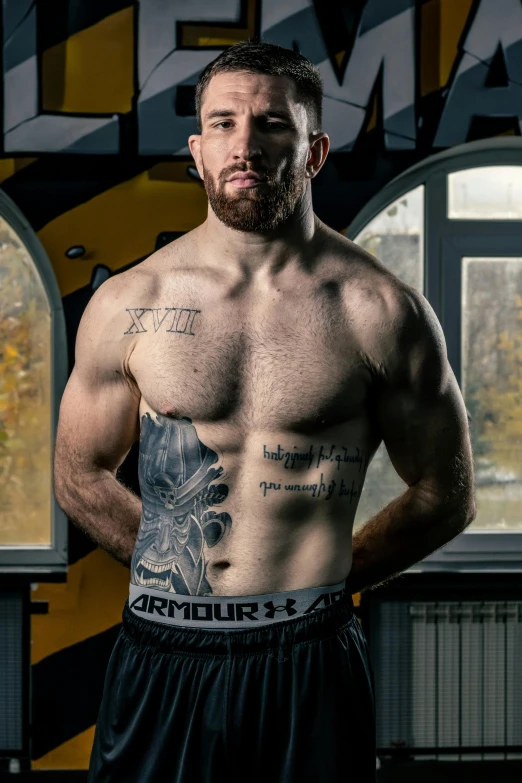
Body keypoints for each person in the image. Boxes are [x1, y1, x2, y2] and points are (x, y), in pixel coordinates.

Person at [53, 40, 475, 783]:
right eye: (222, 123)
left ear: (314, 150)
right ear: (197, 149)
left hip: (307, 654)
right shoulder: (130, 302)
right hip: (162, 651)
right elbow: (78, 471)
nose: (244, 144)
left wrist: (336, 578)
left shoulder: (381, 309)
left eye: (272, 124)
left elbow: (449, 493)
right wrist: (170, 559)